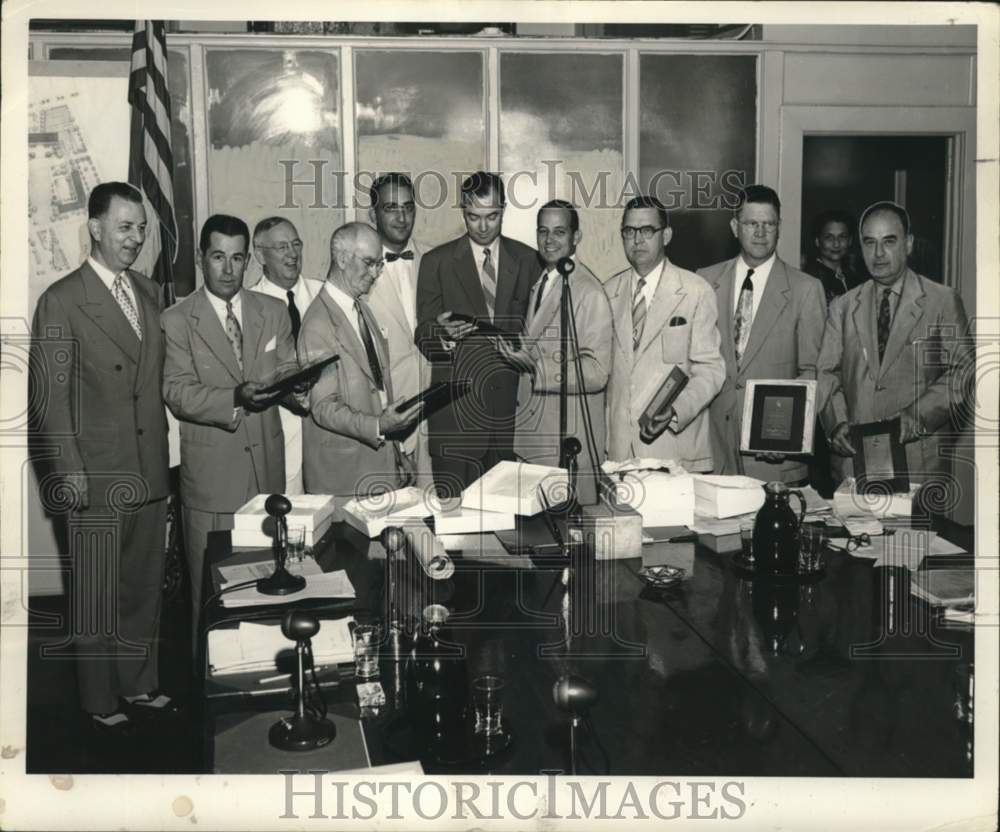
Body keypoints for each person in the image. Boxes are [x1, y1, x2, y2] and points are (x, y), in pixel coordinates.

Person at [30, 181, 175, 736]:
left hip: (149, 466)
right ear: (94, 227)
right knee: (94, 595)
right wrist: (70, 474)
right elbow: (50, 403)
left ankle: (138, 682)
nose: (135, 238)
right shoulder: (62, 299)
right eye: (124, 227)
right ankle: (98, 698)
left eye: (141, 228)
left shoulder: (149, 291)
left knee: (142, 587)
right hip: (94, 474)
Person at [162, 214, 300, 644]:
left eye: (237, 258)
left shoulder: (273, 311)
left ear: (248, 261)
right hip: (211, 482)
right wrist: (235, 398)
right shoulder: (177, 319)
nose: (228, 269)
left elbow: (288, 371)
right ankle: (210, 686)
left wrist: (300, 386)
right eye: (218, 257)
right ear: (201, 259)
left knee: (268, 593)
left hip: (267, 475)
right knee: (213, 602)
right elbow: (177, 392)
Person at [817, 201, 973, 489]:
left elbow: (963, 373)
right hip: (854, 461)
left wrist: (918, 415)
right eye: (869, 242)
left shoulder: (942, 301)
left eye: (889, 241)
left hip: (919, 463)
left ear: (908, 244)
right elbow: (827, 372)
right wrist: (836, 423)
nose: (878, 253)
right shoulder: (843, 306)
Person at [415, 171, 538, 497]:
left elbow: (538, 335)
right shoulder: (436, 262)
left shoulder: (528, 261)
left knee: (507, 522)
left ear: (504, 209)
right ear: (462, 210)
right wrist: (443, 337)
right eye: (473, 217)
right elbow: (422, 333)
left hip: (511, 422)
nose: (483, 227)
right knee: (454, 522)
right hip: (455, 424)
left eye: (492, 216)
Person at [698, 185, 827, 484]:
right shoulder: (705, 280)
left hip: (774, 455)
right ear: (735, 227)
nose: (760, 232)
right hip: (713, 451)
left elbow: (813, 371)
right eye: (751, 223)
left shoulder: (806, 289)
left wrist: (788, 433)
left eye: (768, 224)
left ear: (779, 228)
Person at [496, 200, 614, 505]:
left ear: (576, 237)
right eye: (543, 231)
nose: (549, 240)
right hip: (535, 443)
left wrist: (536, 368)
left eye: (559, 232)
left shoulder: (588, 291)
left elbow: (597, 372)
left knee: (569, 532)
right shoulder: (544, 282)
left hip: (565, 448)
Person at [298, 222, 422, 500]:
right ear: (342, 259)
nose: (376, 274)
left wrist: (398, 452)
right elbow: (323, 407)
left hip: (379, 467)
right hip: (344, 479)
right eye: (369, 263)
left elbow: (380, 391)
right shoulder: (318, 323)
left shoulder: (362, 309)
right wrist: (378, 427)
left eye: (379, 264)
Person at [604, 196, 725, 471]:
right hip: (619, 452)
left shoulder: (696, 290)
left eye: (647, 230)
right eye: (629, 231)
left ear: (666, 235)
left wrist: (677, 410)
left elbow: (711, 370)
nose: (637, 240)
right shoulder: (608, 292)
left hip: (674, 449)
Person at [365, 173, 432, 486]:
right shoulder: (357, 269)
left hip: (435, 420)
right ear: (373, 214)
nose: (402, 217)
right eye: (391, 208)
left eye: (408, 207)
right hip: (387, 419)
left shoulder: (437, 259)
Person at [248, 217, 323, 495]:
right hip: (281, 440)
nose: (292, 254)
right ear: (260, 255)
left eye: (296, 244)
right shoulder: (248, 306)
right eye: (282, 247)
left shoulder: (323, 295)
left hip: (328, 439)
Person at [804, 209, 866, 304]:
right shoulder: (811, 279)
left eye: (842, 237)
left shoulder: (855, 276)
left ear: (850, 241)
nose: (836, 244)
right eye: (829, 238)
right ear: (817, 241)